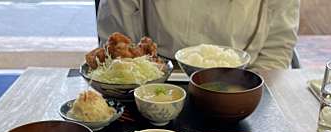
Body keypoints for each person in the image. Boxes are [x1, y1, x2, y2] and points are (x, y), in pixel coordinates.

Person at [97, 0, 300, 70]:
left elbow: (277, 45)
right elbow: (118, 45)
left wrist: (251, 91)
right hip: (154, 83)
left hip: (242, 82)